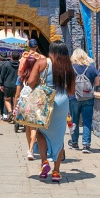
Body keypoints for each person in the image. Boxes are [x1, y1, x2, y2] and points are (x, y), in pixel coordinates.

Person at [25, 41, 75, 183]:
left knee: (41, 132)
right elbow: (71, 91)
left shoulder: (42, 63)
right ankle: (56, 172)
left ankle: (44, 162)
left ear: (51, 51)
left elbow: (31, 82)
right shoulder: (68, 67)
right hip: (62, 101)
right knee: (59, 137)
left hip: (44, 100)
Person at [68, 48, 100, 152]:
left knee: (74, 120)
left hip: (74, 97)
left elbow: (67, 84)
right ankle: (86, 145)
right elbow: (97, 83)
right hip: (88, 97)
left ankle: (74, 143)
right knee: (87, 121)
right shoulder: (91, 68)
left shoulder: (71, 69)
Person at [17, 39, 42, 160]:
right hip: (36, 95)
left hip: (25, 95)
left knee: (27, 125)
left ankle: (30, 149)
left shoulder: (23, 59)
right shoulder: (41, 58)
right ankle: (31, 148)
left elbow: (19, 76)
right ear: (37, 46)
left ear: (28, 46)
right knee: (34, 126)